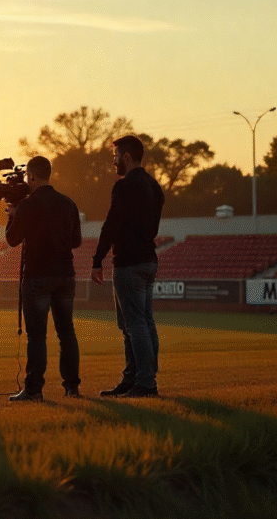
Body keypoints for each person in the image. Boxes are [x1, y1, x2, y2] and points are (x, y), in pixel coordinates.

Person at [91, 134, 165, 398]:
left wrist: (97, 258)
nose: (113, 163)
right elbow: (154, 226)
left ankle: (145, 382)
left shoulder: (124, 186)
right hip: (148, 260)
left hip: (129, 263)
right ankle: (134, 378)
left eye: (115, 157)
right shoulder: (154, 186)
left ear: (126, 157)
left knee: (133, 325)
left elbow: (111, 223)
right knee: (143, 321)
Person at [4, 156, 83, 401]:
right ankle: (72, 387)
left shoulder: (28, 206)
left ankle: (34, 389)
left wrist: (12, 214)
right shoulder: (68, 203)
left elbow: (12, 239)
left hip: (38, 275)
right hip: (65, 275)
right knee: (66, 332)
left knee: (37, 336)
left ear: (33, 177)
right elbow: (76, 241)